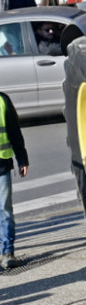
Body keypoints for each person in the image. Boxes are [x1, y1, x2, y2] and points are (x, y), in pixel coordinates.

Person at [0, 90, 29, 269]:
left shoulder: (2, 101)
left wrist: (22, 158)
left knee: (4, 211)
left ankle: (7, 252)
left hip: (1, 165)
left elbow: (14, 131)